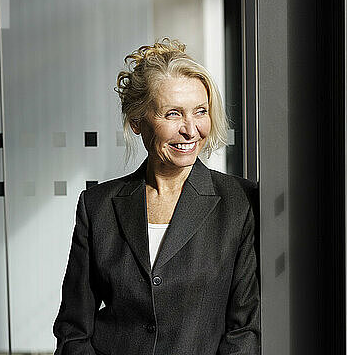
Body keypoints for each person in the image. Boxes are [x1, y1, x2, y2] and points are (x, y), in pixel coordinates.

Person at [53, 38, 260, 354]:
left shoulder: (241, 202)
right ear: (137, 122)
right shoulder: (97, 206)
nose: (191, 130)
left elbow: (244, 331)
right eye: (173, 114)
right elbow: (74, 328)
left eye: (200, 111)